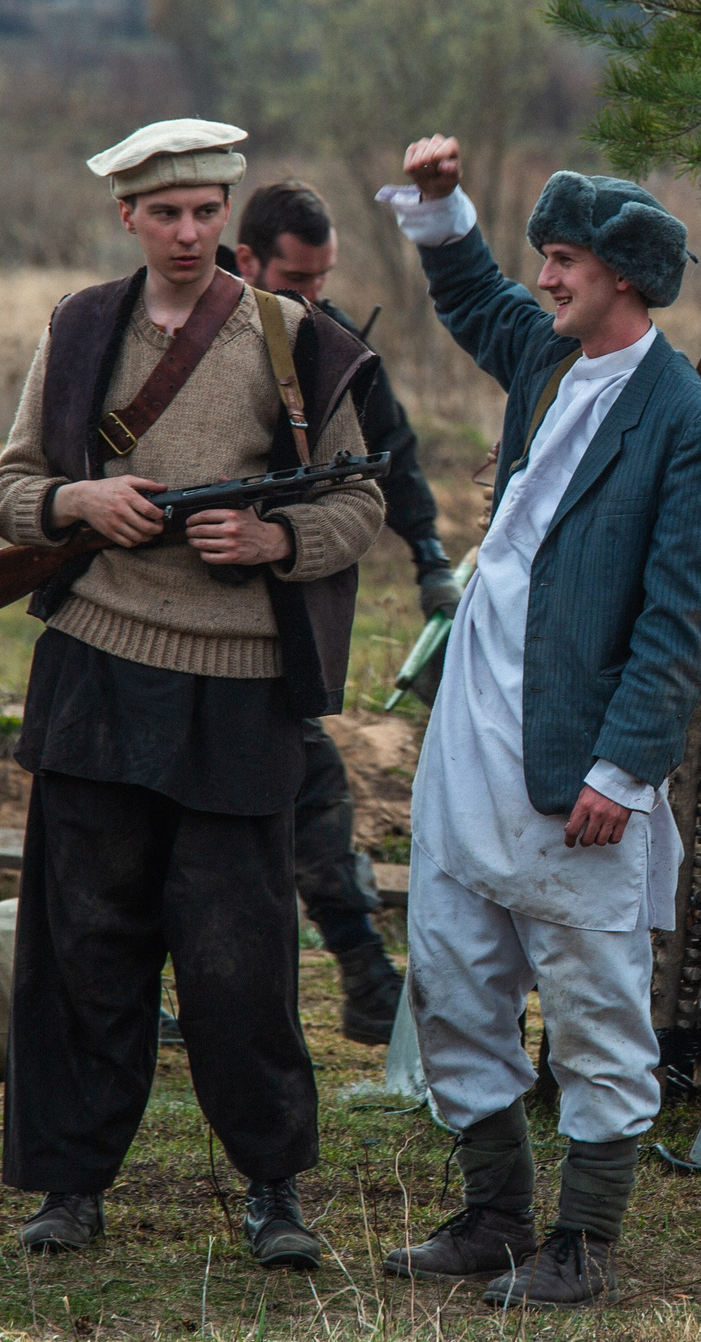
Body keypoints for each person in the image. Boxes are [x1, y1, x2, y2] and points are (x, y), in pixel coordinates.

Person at [0, 119, 384, 1268]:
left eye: (207, 211)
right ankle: (69, 1188)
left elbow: (358, 504)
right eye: (165, 213)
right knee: (82, 947)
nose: (189, 232)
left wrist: (273, 539)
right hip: (96, 672)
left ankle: (274, 1192)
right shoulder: (79, 327)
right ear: (128, 217)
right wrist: (78, 505)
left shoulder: (295, 340)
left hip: (239, 690)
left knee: (240, 960)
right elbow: (7, 491)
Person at [373, 135, 701, 1308]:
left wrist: (625, 769)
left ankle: (581, 1243)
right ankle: (493, 1218)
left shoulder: (686, 422)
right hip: (470, 745)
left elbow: (681, 621)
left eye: (564, 262)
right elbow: (476, 297)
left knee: (591, 1004)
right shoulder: (547, 356)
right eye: (544, 257)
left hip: (576, 766)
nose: (544, 280)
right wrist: (441, 207)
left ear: (622, 277)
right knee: (451, 980)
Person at [234, 179, 457, 1044]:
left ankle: (365, 977)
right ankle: (360, 973)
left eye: (323, 278)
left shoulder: (328, 345)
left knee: (308, 781)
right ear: (247, 261)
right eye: (296, 279)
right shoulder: (186, 340)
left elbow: (390, 451)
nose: (313, 296)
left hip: (283, 610)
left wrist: (430, 559)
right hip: (177, 619)